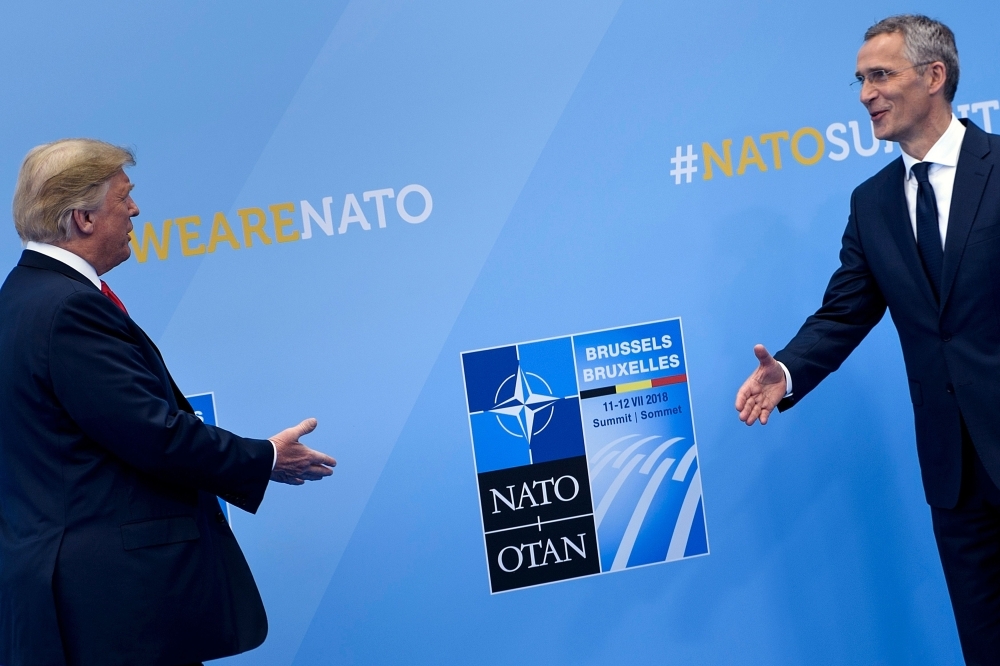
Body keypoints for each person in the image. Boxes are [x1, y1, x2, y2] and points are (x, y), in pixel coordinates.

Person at [0, 139, 337, 665]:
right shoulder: (68, 310)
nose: (135, 210)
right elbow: (154, 434)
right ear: (84, 218)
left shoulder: (21, 298)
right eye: (124, 197)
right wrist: (266, 458)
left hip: (75, 598)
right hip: (113, 610)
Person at [735, 14, 1000, 663]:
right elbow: (844, 312)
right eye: (859, 80)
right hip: (956, 481)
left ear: (934, 76)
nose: (864, 94)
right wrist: (788, 371)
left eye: (880, 75)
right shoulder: (872, 202)